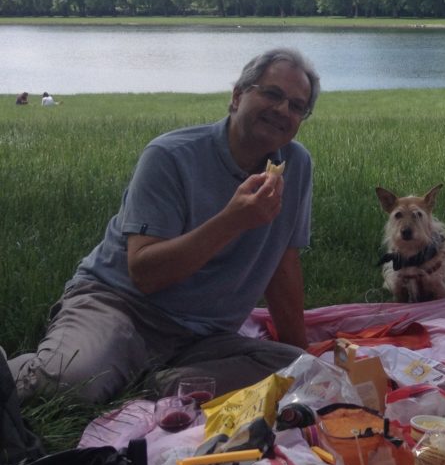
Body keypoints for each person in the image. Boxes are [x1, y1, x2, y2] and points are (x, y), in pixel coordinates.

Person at [9, 48, 320, 405]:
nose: (282, 110)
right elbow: (145, 274)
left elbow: (282, 265)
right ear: (237, 96)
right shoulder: (171, 156)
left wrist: (303, 361)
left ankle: (153, 383)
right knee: (66, 387)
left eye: (297, 106)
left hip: (203, 337)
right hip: (120, 307)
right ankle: (42, 369)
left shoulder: (296, 165)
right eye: (272, 94)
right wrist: (232, 221)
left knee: (292, 370)